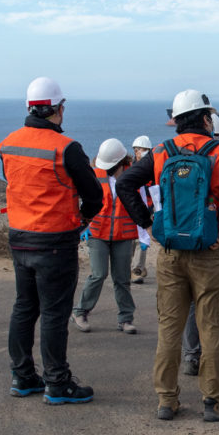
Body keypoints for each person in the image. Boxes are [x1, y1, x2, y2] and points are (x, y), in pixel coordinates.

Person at [117, 90, 219, 422]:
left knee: (170, 329)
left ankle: (166, 400)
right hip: (208, 252)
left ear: (176, 121)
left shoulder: (162, 151)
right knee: (212, 328)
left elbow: (125, 185)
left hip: (171, 252)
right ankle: (212, 401)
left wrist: (148, 224)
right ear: (206, 119)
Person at [0, 77, 105, 404]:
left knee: (24, 307)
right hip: (55, 241)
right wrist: (83, 219)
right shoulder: (66, 148)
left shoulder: (8, 144)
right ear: (58, 109)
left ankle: (22, 376)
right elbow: (94, 194)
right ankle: (57, 383)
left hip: (20, 238)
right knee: (55, 314)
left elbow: (13, 181)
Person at [181, 113, 219, 381]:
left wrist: (149, 226)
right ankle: (214, 365)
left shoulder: (170, 152)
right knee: (215, 306)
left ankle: (190, 357)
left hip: (180, 240)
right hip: (214, 242)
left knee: (189, 306)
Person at [72, 138, 138, 335]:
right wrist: (83, 226)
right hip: (98, 232)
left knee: (122, 278)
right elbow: (79, 197)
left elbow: (147, 198)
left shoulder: (133, 174)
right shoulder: (95, 173)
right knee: (98, 274)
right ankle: (80, 312)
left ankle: (126, 319)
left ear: (121, 162)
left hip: (124, 233)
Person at [130, 135, 153, 285]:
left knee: (142, 241)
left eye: (144, 149)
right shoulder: (130, 168)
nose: (141, 152)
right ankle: (133, 268)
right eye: (139, 149)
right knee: (131, 240)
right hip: (132, 207)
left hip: (148, 209)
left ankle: (137, 270)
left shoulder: (153, 169)